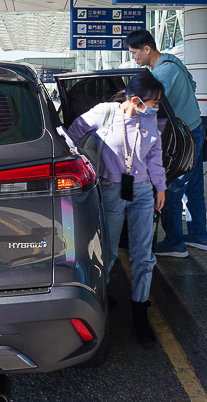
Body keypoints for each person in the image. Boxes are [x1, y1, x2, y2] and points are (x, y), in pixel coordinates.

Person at [65, 71, 167, 347]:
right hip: (111, 189)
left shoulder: (149, 118)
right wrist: (82, 169)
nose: (156, 106)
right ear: (135, 100)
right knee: (107, 252)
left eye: (157, 102)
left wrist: (160, 186)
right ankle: (103, 301)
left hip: (143, 190)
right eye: (153, 102)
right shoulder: (104, 113)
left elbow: (155, 155)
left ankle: (139, 312)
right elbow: (70, 135)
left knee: (143, 255)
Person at [125, 29, 207, 259]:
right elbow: (191, 86)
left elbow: (148, 104)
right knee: (194, 189)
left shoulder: (163, 71)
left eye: (135, 52)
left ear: (147, 49)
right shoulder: (174, 62)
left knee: (172, 189)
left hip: (184, 137)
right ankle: (199, 237)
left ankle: (175, 243)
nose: (134, 57)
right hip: (195, 129)